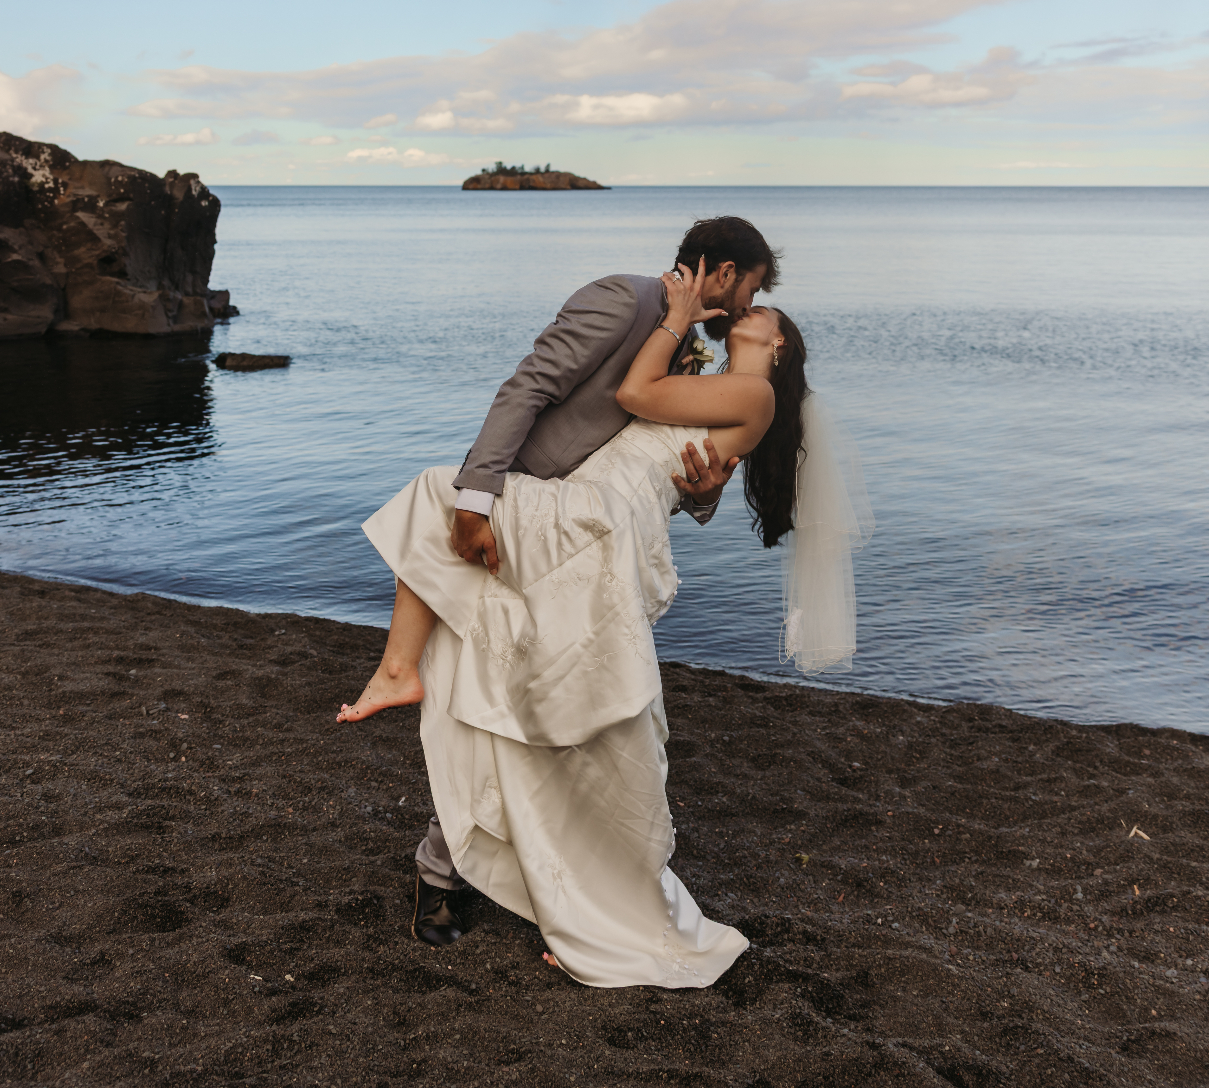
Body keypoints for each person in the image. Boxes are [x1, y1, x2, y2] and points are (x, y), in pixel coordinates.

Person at [339, 249, 871, 988]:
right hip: (578, 520)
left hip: (596, 531)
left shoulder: (753, 393)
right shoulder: (638, 314)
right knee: (527, 700)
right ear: (723, 266)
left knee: (450, 516)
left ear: (778, 346)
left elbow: (639, 398)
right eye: (754, 288)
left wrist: (704, 469)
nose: (753, 306)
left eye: (765, 310)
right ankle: (471, 851)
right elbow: (577, 402)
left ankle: (404, 681)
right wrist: (702, 459)